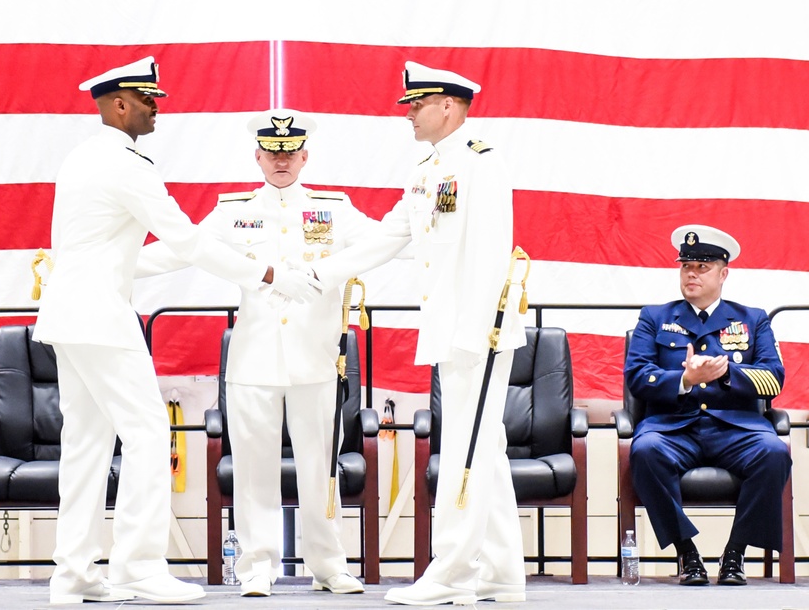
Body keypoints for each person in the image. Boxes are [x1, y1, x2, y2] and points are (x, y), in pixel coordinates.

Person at [31, 57, 320, 605]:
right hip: (100, 317)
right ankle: (137, 567)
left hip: (69, 315)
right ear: (119, 105)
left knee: (87, 444)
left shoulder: (82, 157)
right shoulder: (125, 164)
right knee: (145, 434)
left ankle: (72, 574)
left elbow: (109, 251)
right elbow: (186, 241)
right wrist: (268, 273)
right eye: (147, 100)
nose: (156, 107)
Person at [308, 61, 528, 605]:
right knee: (486, 447)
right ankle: (503, 574)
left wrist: (475, 332)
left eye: (417, 103)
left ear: (448, 106)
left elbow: (490, 254)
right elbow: (390, 235)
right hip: (452, 329)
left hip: (476, 333)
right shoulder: (428, 169)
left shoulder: (482, 163)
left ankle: (452, 574)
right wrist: (319, 274)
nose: (408, 112)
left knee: (464, 450)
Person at [134, 108, 378, 597]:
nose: (281, 160)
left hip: (314, 360)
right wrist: (109, 266)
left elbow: (385, 242)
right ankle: (256, 567)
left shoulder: (334, 209)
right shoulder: (233, 211)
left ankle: (329, 565)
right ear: (258, 156)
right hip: (254, 362)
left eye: (290, 153)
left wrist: (450, 242)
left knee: (320, 468)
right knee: (253, 473)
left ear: (305, 156)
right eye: (272, 152)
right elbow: (183, 249)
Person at [624, 225, 790, 586]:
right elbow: (637, 376)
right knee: (646, 450)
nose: (692, 274)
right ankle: (687, 553)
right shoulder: (654, 317)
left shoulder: (752, 318)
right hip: (674, 427)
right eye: (686, 266)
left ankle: (736, 553)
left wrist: (727, 373)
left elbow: (773, 378)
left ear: (723, 273)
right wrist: (685, 381)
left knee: (774, 451)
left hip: (735, 428)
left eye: (702, 267)